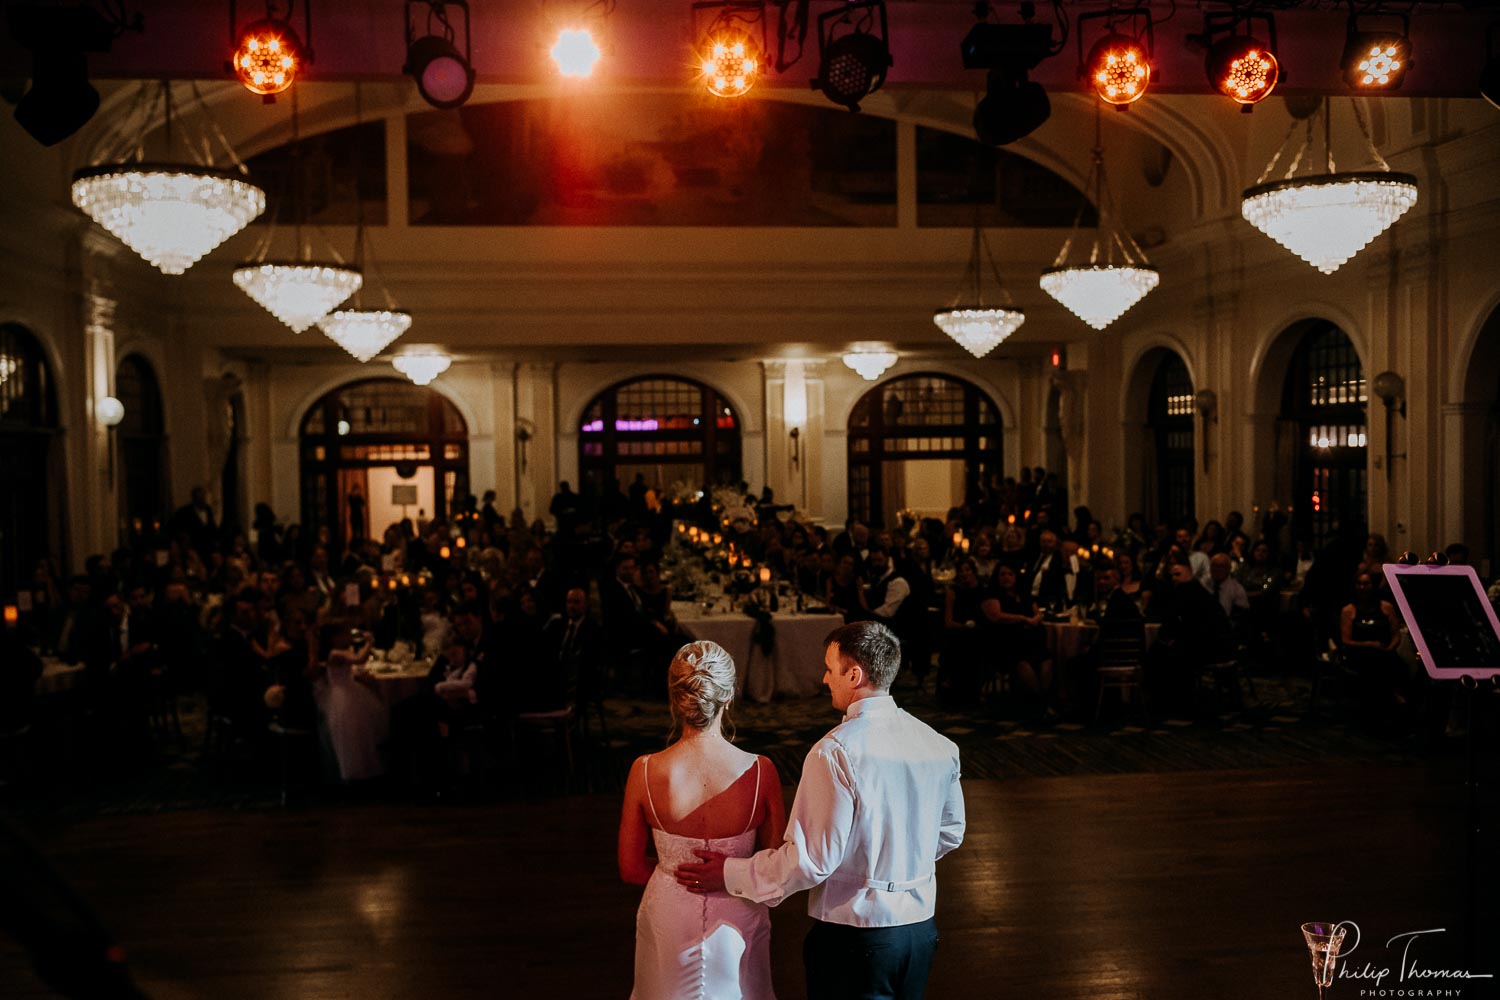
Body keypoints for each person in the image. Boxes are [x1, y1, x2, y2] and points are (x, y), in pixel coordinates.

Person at [677, 621, 965, 1000]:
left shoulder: (835, 751)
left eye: (831, 669)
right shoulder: (938, 744)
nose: (825, 679)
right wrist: (897, 860)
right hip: (920, 931)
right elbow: (950, 832)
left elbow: (811, 861)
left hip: (857, 937)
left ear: (855, 674)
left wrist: (730, 873)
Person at [619, 641, 786, 1000]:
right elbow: (777, 871)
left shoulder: (645, 770)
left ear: (675, 699)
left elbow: (631, 869)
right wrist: (732, 875)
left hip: (669, 913)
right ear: (728, 699)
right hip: (738, 915)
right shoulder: (761, 771)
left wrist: (674, 870)